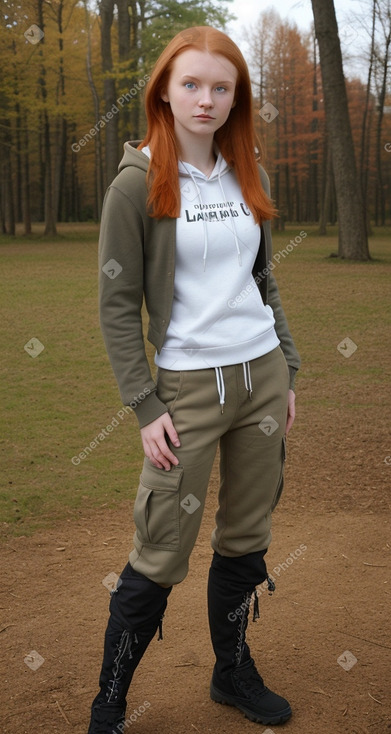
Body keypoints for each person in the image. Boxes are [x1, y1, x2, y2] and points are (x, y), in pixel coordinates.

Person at [88, 25, 301, 733]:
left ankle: (229, 672)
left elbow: (263, 280)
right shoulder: (135, 183)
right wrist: (144, 405)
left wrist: (288, 369)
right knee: (158, 551)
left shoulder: (250, 173)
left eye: (220, 86)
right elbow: (117, 306)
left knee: (245, 536)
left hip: (261, 378)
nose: (205, 99)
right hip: (184, 390)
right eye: (190, 84)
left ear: (235, 97)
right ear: (163, 90)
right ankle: (111, 702)